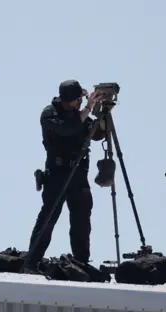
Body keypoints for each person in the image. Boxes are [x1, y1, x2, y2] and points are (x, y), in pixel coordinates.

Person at [22, 79, 106, 273]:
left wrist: (102, 114)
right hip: (57, 174)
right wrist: (86, 110)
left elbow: (98, 134)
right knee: (49, 217)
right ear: (69, 100)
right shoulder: (50, 114)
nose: (80, 103)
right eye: (78, 100)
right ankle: (32, 262)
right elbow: (68, 129)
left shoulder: (80, 115)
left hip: (78, 175)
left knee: (81, 220)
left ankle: (81, 263)